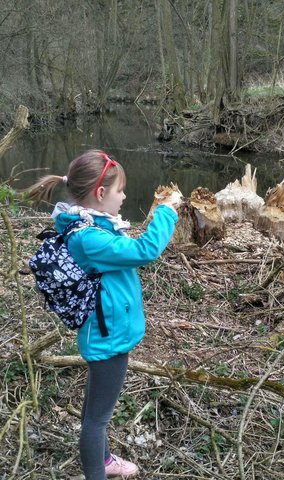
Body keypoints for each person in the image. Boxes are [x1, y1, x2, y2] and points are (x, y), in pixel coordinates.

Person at [26, 149, 180, 479]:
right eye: (119, 190)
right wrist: (166, 213)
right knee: (97, 419)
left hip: (110, 333)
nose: (124, 196)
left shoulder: (93, 223)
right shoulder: (89, 237)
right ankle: (98, 472)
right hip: (107, 339)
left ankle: (105, 460)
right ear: (99, 194)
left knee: (97, 411)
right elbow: (145, 250)